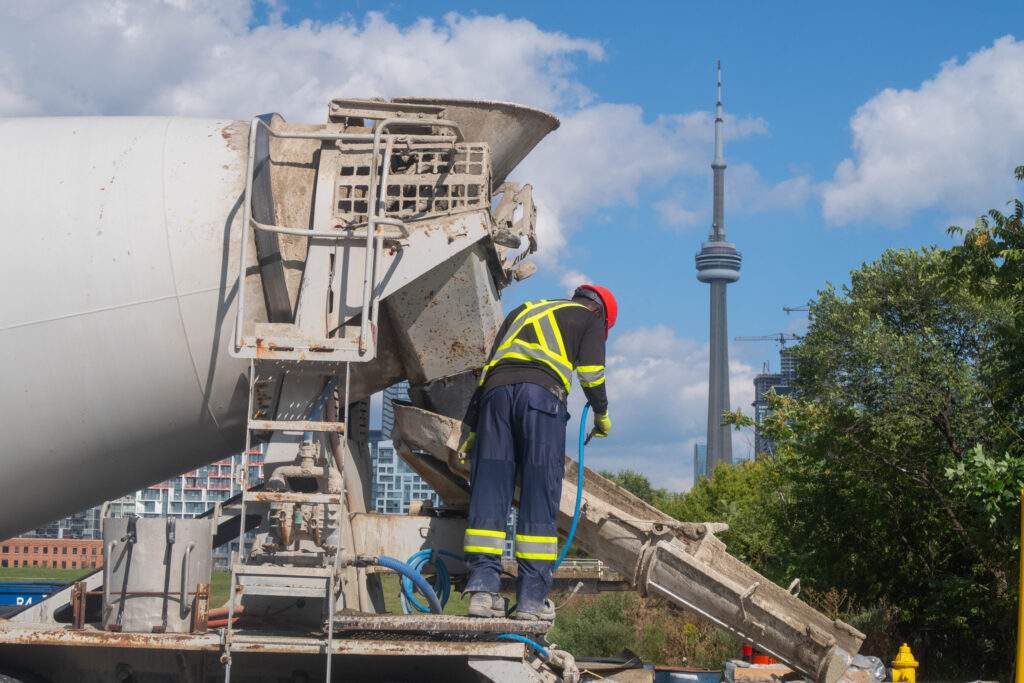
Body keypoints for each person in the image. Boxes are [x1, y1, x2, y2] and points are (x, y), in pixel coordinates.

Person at [458, 284, 617, 620]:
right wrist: (601, 415)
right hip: (541, 399)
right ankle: (531, 600)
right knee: (539, 494)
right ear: (601, 314)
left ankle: (482, 594)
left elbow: (486, 371)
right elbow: (591, 373)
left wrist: (472, 428)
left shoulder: (524, 310)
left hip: (495, 400)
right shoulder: (589, 319)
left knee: (489, 490)